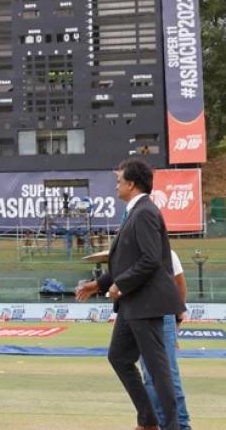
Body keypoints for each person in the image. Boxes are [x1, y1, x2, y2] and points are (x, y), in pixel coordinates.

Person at [76, 158, 185, 430]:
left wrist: (119, 285)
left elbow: (150, 260)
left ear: (132, 184)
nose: (116, 186)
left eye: (119, 181)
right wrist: (99, 284)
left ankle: (171, 426)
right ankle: (148, 420)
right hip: (133, 304)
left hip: (146, 303)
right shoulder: (134, 213)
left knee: (159, 371)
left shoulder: (145, 212)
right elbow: (126, 261)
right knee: (119, 357)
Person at [141, 250, 192, 430]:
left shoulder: (168, 254)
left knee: (167, 375)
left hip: (162, 315)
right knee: (150, 377)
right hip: (139, 316)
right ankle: (159, 423)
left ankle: (180, 425)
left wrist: (178, 316)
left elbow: (180, 284)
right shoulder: (132, 252)